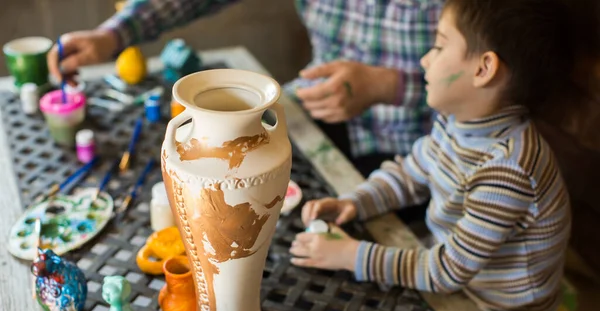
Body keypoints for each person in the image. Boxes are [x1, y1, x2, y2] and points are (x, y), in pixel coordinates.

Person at [290, 0, 575, 311]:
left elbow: (445, 272)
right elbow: (411, 173)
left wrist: (351, 255)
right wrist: (356, 201)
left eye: (439, 46)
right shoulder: (458, 120)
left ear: (484, 69)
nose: (426, 59)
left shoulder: (507, 171)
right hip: (454, 270)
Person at [46, 0, 444, 177]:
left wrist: (391, 86)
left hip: (427, 153)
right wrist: (115, 33)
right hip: (314, 120)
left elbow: (503, 79)